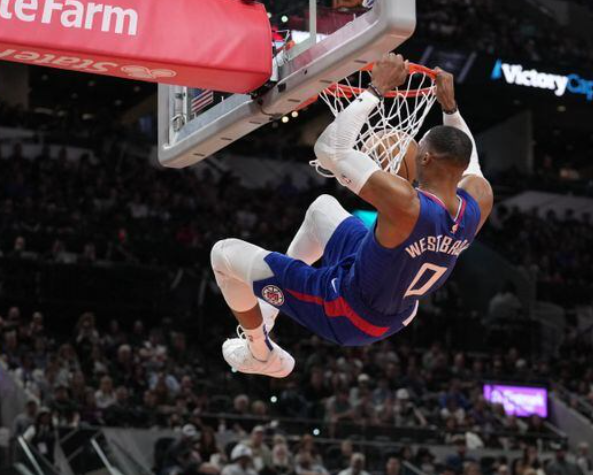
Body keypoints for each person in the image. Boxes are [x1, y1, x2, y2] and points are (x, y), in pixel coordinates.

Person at [210, 55, 492, 377]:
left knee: (223, 254)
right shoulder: (478, 202)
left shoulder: (407, 204)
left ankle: (259, 352)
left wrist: (377, 89)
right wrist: (450, 108)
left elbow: (329, 150)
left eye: (415, 147)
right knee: (322, 208)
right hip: (392, 301)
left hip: (350, 311)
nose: (408, 148)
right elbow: (471, 163)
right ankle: (269, 312)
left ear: (424, 158)